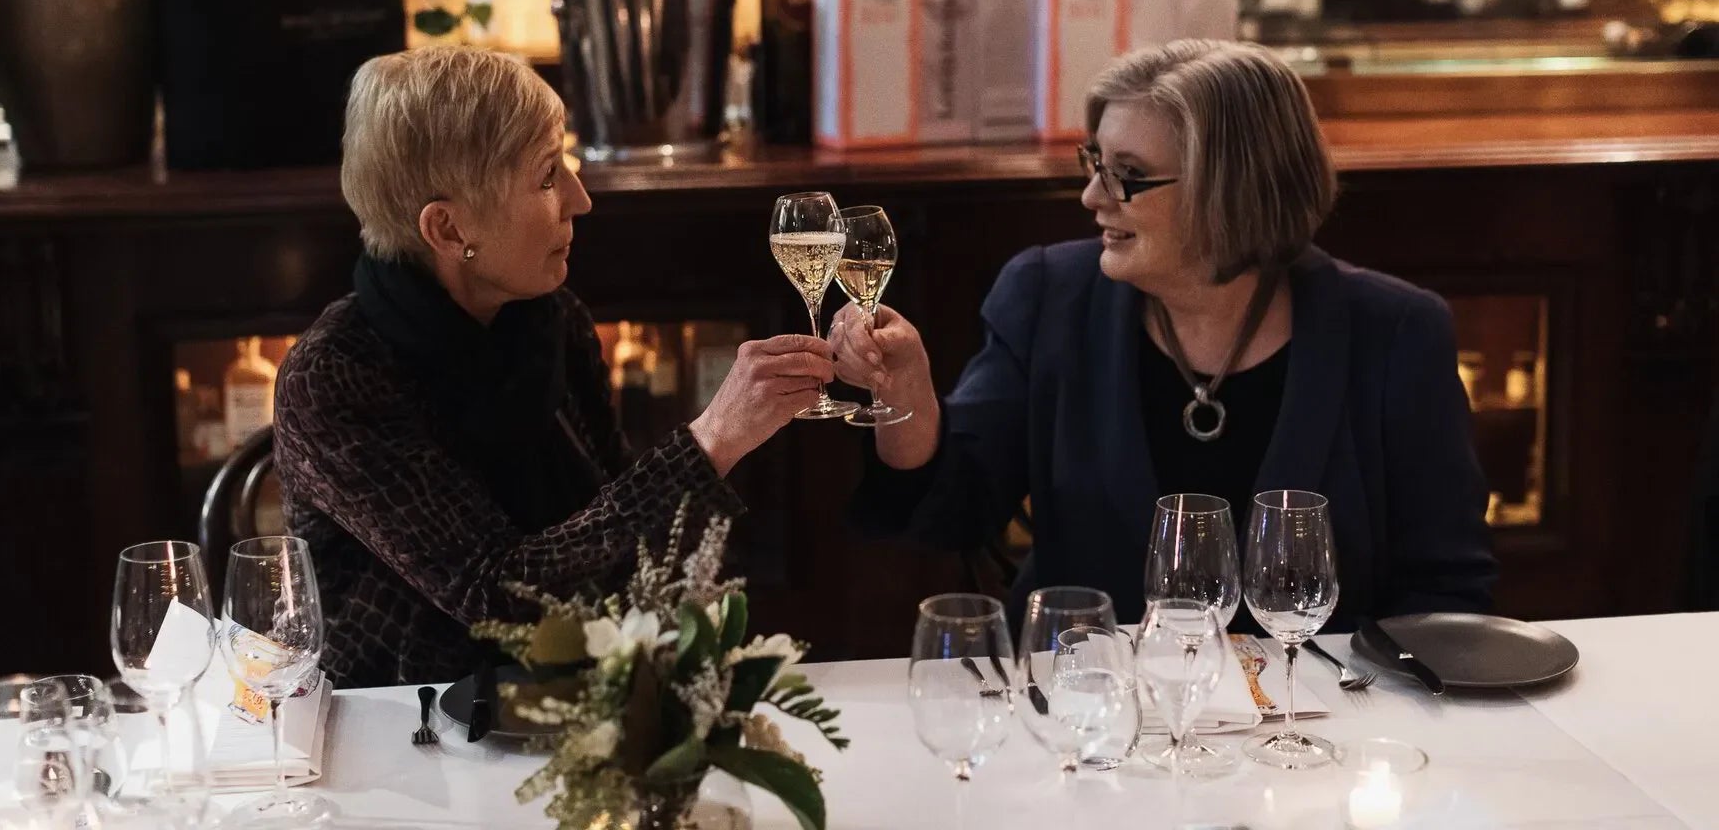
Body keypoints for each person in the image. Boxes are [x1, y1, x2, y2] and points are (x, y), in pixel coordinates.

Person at [833, 40, 1497, 627]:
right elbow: (959, 513)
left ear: (1231, 187)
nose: (1093, 196)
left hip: (1312, 729)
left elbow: (1446, 590)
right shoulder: (1047, 297)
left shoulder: (1396, 331)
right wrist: (907, 396)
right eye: (1093, 161)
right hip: (1093, 709)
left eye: (1126, 174)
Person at [274, 46, 833, 687]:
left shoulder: (550, 319)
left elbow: (627, 543)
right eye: (545, 176)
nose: (580, 198)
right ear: (449, 230)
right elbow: (501, 595)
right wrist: (711, 442)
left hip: (569, 697)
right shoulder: (335, 377)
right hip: (402, 731)